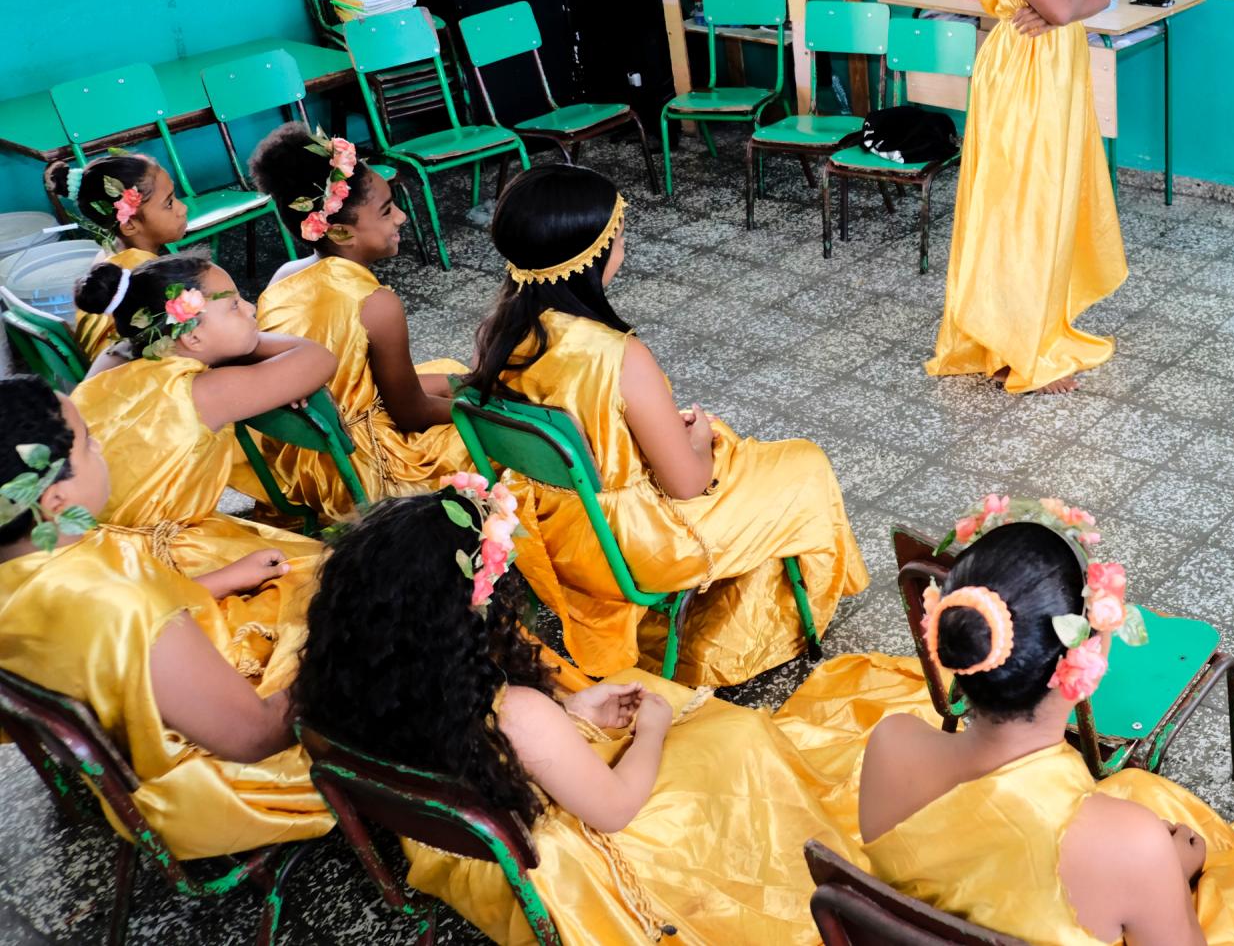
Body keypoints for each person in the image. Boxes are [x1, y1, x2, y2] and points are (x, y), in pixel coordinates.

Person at [292, 487, 865, 945]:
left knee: (664, 708)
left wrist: (566, 708)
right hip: (551, 876)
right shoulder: (516, 711)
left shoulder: (353, 669)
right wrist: (654, 730)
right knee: (736, 740)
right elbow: (613, 810)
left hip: (450, 848)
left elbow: (477, 728)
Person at [795, 501, 1234, 946]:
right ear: (1083, 668)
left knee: (1137, 790)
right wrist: (1173, 867)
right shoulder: (1131, 846)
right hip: (1132, 868)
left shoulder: (890, 743)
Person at [465, 164, 868, 686]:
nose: (622, 244)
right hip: (634, 547)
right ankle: (785, 621)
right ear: (591, 255)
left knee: (729, 446)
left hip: (553, 533)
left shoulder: (497, 332)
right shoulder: (619, 355)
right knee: (803, 462)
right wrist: (696, 440)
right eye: (618, 236)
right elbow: (688, 484)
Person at [0, 377, 330, 858]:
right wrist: (347, 657)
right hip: (217, 783)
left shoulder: (34, 560)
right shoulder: (120, 603)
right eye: (90, 443)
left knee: (300, 586)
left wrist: (220, 581)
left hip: (142, 728)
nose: (101, 446)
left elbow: (117, 645)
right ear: (55, 503)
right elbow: (256, 736)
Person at [926, 0, 1128, 395]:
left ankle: (1039, 327)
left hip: (1056, 68)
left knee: (1055, 199)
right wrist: (1063, 2)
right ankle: (1018, 346)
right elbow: (1075, 1)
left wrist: (1061, 2)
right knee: (1022, 206)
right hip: (1023, 75)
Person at [69, 254, 333, 689]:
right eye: (234, 305)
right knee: (321, 583)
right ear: (189, 333)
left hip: (101, 556)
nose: (251, 310)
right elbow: (317, 357)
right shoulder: (205, 392)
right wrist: (250, 349)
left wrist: (224, 352)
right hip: (173, 559)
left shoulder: (107, 364)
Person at [242, 122, 472, 520]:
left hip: (304, 456)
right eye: (386, 211)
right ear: (342, 231)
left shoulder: (284, 277)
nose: (400, 217)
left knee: (456, 374)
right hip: (359, 467)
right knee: (485, 432)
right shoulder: (376, 304)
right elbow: (411, 413)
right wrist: (485, 416)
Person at [46, 153, 190, 363]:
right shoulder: (145, 278)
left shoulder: (106, 258)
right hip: (135, 378)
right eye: (169, 203)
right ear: (129, 224)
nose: (182, 208)